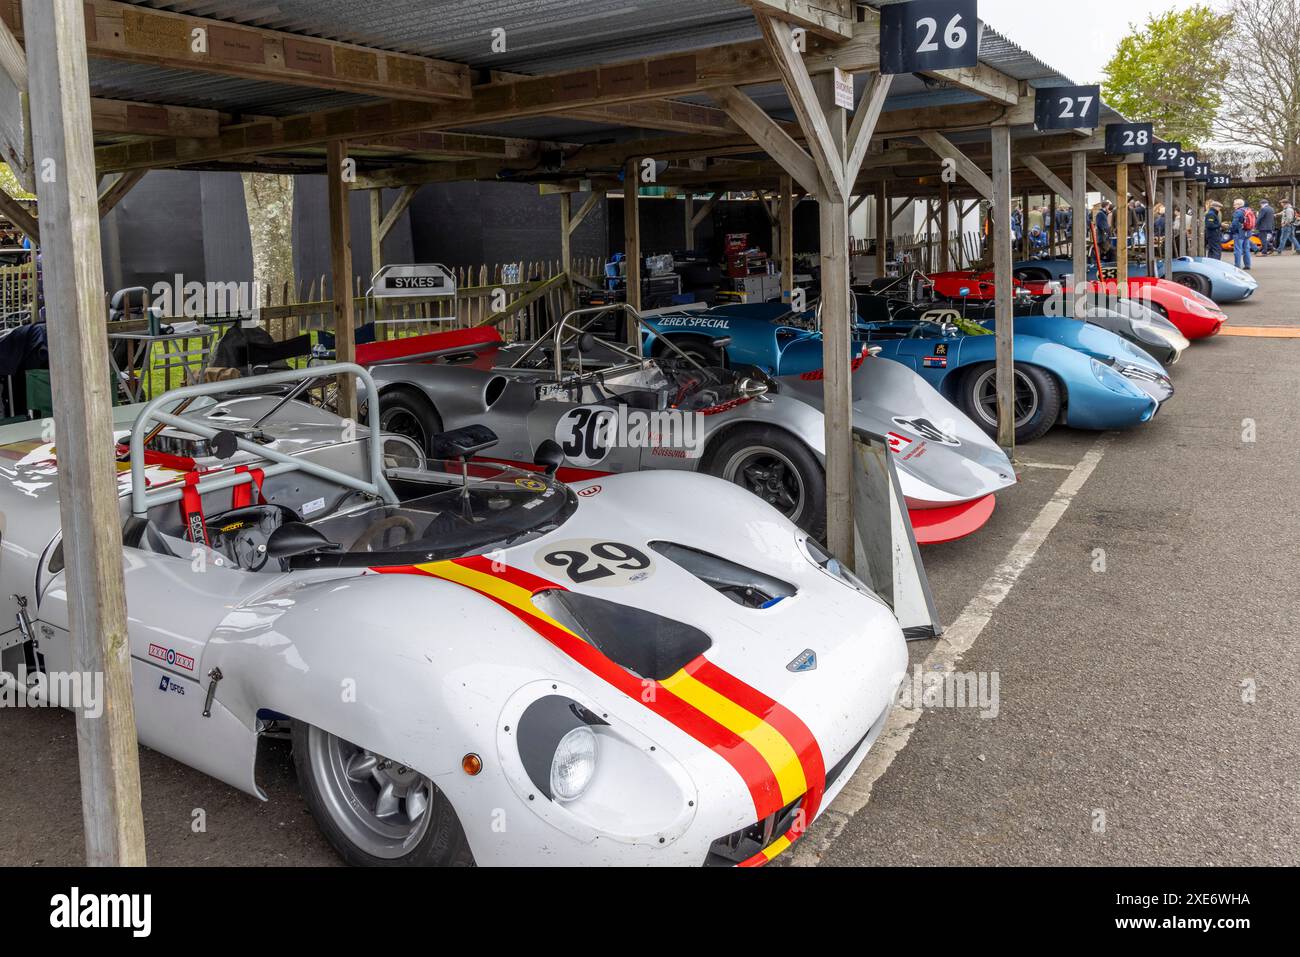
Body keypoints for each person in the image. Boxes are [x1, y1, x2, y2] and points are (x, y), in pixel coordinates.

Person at [1230, 198, 1254, 270]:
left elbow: (1235, 224)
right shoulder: (1248, 210)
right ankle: (1247, 265)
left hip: (1239, 233)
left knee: (1238, 249)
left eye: (1235, 204)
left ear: (1238, 205)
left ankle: (1237, 265)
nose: (1234, 206)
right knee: (1246, 249)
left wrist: (1232, 231)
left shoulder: (1238, 212)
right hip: (1248, 232)